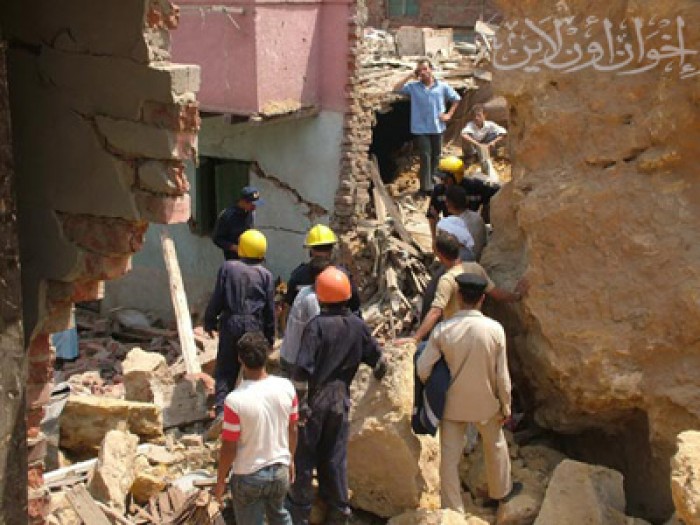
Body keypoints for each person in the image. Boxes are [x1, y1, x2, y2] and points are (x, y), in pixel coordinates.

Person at [288, 267, 388, 525]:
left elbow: (301, 371)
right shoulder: (358, 326)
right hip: (341, 399)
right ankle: (338, 511)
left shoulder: (316, 327)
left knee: (304, 457)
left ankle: (300, 511)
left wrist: (300, 406)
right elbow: (378, 361)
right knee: (335, 456)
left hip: (316, 398)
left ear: (320, 296)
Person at [416, 273, 520, 512]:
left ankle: (453, 509)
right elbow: (502, 375)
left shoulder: (443, 330)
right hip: (486, 404)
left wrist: (435, 386)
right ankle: (501, 493)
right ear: (482, 298)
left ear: (459, 297)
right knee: (495, 445)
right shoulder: (495, 329)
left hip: (452, 406)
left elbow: (423, 368)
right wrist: (506, 405)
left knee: (449, 458)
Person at [214, 331, 298, 525]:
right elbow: (293, 429)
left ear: (240, 359)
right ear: (267, 354)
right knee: (280, 516)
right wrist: (291, 458)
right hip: (280, 469)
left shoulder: (234, 400)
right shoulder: (286, 387)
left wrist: (220, 480)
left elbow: (229, 446)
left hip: (248, 475)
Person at [204, 229, 275, 419]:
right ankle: (253, 412)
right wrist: (269, 337)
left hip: (231, 322)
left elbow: (217, 297)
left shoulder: (228, 268)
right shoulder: (266, 275)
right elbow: (269, 310)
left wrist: (210, 320)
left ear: (241, 248)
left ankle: (222, 411)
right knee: (253, 368)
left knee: (225, 368)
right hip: (254, 325)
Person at [407, 232, 526, 345]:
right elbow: (497, 294)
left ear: (439, 255)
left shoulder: (447, 280)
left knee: (424, 352)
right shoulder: (476, 268)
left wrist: (415, 338)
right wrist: (517, 296)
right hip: (477, 329)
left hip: (454, 334)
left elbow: (435, 312)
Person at [394, 59, 461, 194]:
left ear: (431, 69)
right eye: (420, 70)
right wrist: (409, 75)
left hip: (437, 127)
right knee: (425, 156)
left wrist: (448, 115)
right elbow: (396, 89)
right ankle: (425, 188)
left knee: (436, 156)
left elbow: (456, 99)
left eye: (425, 69)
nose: (423, 72)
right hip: (420, 128)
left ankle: (435, 184)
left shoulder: (442, 86)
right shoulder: (413, 87)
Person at [285, 224, 361, 315]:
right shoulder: (343, 276)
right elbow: (355, 309)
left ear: (310, 250)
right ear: (331, 250)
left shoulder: (298, 275)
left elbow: (288, 309)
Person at [278, 256, 330, 376]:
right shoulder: (312, 299)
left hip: (289, 354)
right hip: (297, 360)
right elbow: (321, 330)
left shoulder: (305, 290)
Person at [212, 186, 262, 260]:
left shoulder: (250, 212)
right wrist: (235, 248)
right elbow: (217, 239)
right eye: (252, 205)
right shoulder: (227, 216)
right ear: (243, 201)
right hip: (234, 260)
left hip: (250, 257)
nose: (254, 208)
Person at [441, 185, 488, 261]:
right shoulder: (478, 217)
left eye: (446, 201)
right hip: (479, 260)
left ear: (449, 204)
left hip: (465, 263)